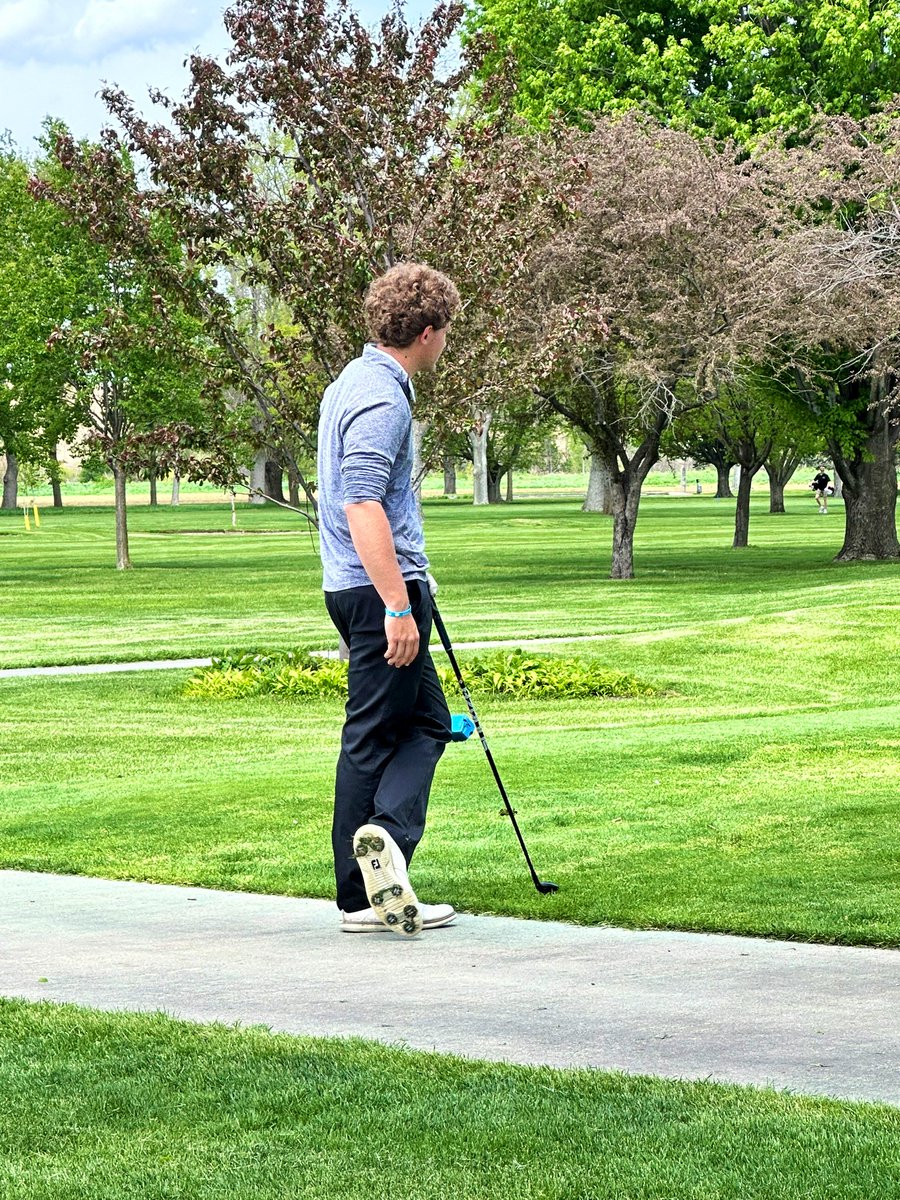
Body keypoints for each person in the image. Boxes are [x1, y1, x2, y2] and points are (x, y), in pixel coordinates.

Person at [316, 262, 461, 937]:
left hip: (361, 587)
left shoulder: (350, 382)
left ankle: (384, 852)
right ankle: (359, 894)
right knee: (372, 736)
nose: (445, 346)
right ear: (427, 332)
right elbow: (361, 500)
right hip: (380, 594)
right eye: (446, 335)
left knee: (429, 722)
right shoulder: (382, 398)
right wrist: (398, 606)